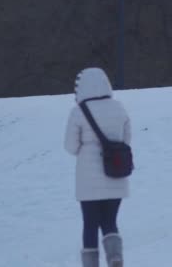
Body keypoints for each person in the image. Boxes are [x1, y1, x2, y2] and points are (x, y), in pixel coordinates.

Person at [64, 67, 131, 267]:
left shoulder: (78, 112)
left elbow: (70, 146)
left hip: (88, 180)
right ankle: (115, 258)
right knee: (110, 221)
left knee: (90, 224)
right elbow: (126, 142)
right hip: (116, 174)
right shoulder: (119, 108)